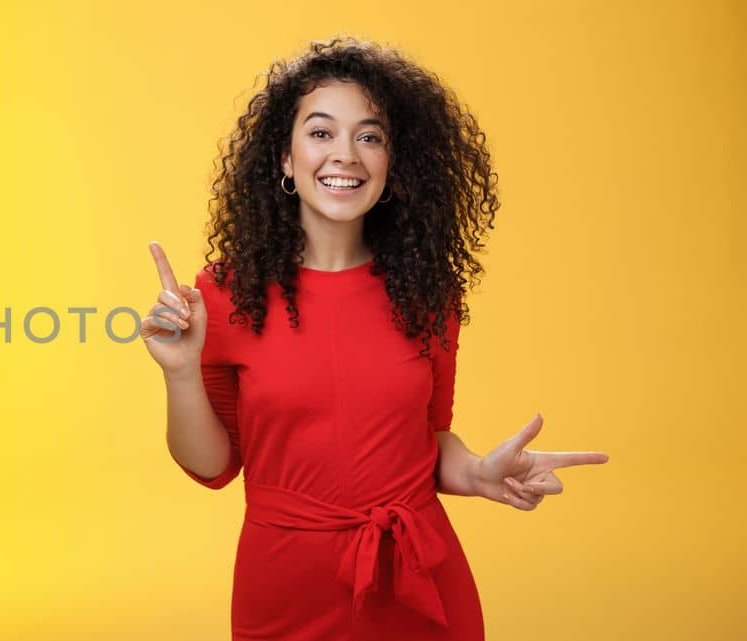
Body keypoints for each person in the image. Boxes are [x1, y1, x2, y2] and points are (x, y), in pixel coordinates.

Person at [140, 37, 609, 641]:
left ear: (392, 164)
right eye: (320, 133)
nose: (347, 155)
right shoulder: (228, 292)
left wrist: (477, 473)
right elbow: (212, 465)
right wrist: (179, 371)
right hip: (284, 586)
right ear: (284, 158)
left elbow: (428, 439)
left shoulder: (427, 292)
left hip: (419, 582)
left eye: (370, 136)